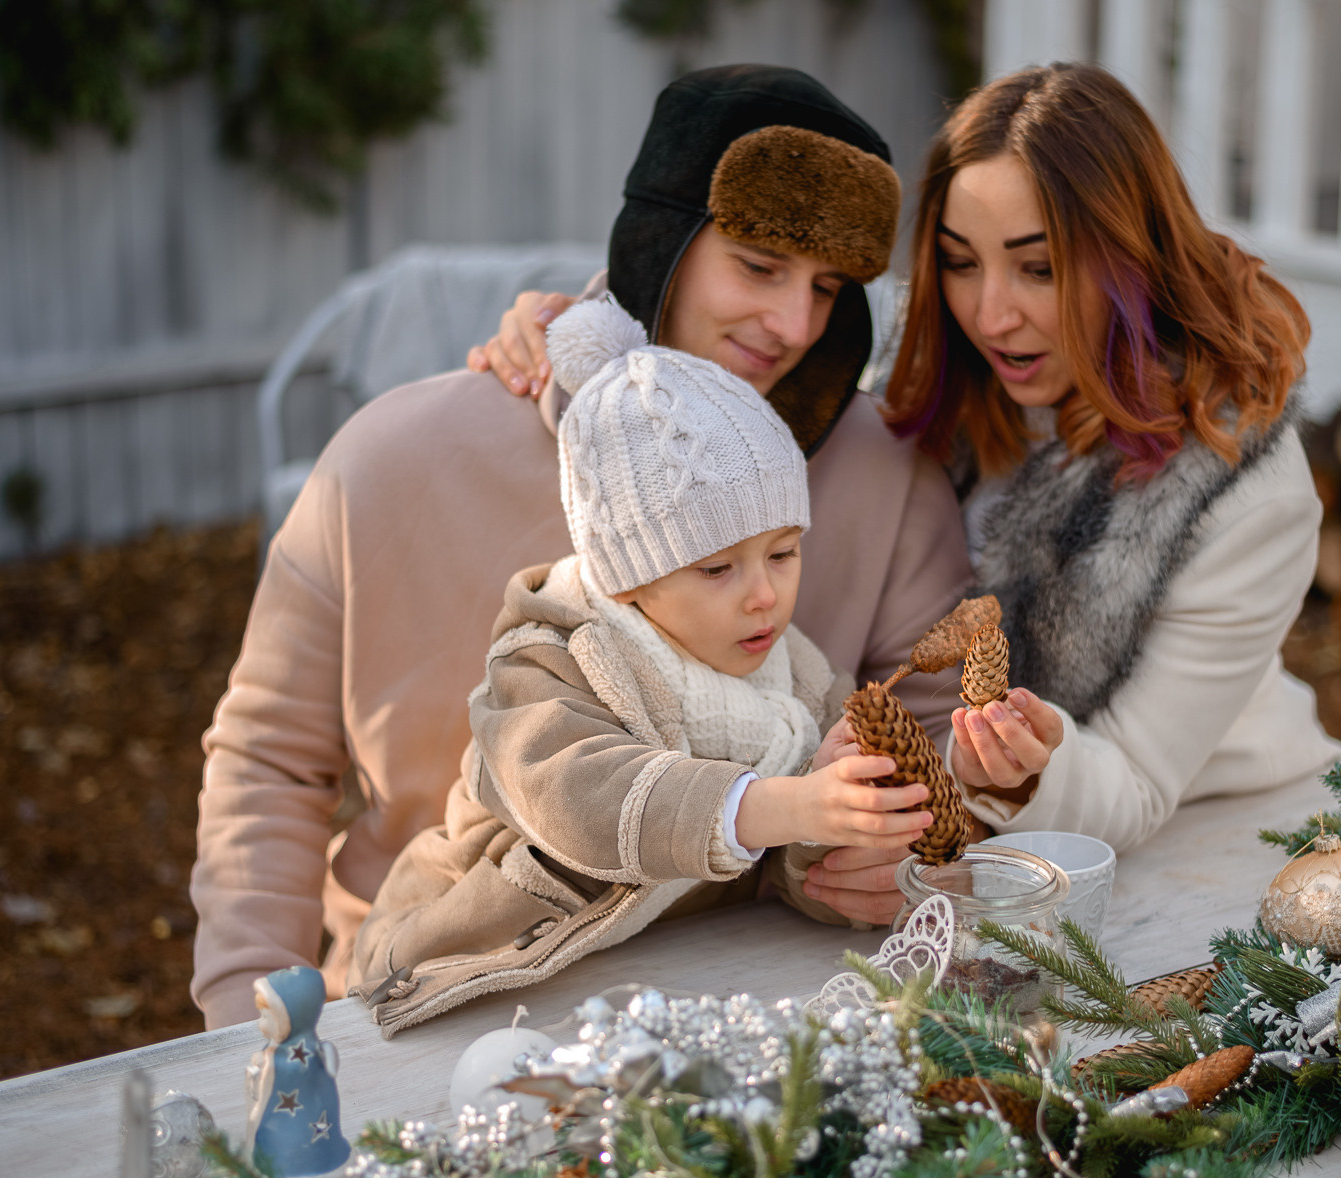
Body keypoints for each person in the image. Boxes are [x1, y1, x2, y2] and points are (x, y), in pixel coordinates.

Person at [189, 65, 972, 1028]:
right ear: (663, 236)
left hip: (767, 1021)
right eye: (760, 266)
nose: (795, 326)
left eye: (828, 287)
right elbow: (270, 759)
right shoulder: (391, 455)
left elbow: (939, 749)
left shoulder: (886, 480)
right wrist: (245, 1020)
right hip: (423, 994)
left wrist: (910, 857)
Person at [476, 64, 1341, 927]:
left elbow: (1140, 786)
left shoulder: (1244, 489)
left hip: (1216, 837)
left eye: (1038, 269)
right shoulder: (914, 371)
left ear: (1132, 255)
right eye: (962, 264)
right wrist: (578, 324)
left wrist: (984, 814)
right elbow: (700, 358)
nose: (992, 313)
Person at [350, 299, 933, 1033]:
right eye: (718, 568)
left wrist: (837, 844)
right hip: (467, 964)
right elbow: (579, 796)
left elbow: (789, 875)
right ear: (629, 578)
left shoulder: (797, 677)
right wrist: (786, 803)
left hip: (661, 985)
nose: (764, 595)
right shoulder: (552, 657)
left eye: (784, 553)